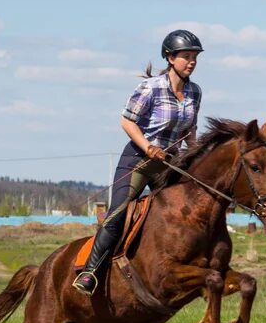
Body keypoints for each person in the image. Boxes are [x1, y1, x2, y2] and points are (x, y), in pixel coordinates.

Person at [72, 29, 204, 296]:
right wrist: (148, 147)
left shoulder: (195, 92)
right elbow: (127, 121)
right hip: (139, 161)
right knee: (117, 215)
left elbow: (190, 131)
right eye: (186, 56)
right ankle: (90, 271)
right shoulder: (151, 87)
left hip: (170, 163)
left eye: (194, 57)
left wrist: (196, 156)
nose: (191, 62)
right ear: (169, 58)